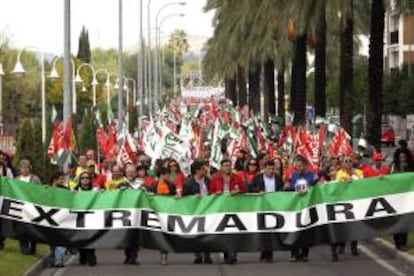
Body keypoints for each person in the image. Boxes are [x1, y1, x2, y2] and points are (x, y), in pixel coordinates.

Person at [210, 159, 246, 264]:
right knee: (223, 232)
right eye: (225, 166)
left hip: (234, 208)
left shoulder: (237, 178)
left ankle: (233, 254)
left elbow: (244, 190)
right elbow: (210, 192)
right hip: (220, 209)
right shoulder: (216, 178)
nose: (228, 167)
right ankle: (226, 253)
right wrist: (215, 194)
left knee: (234, 231)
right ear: (221, 167)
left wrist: (238, 191)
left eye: (229, 165)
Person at [248, 160, 284, 263]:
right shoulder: (258, 178)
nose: (271, 171)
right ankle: (263, 253)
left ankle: (270, 254)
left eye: (273, 169)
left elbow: (282, 189)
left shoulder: (277, 178)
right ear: (264, 169)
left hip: (274, 207)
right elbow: (250, 189)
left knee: (272, 231)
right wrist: (258, 191)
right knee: (263, 231)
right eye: (269, 169)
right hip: (261, 207)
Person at [287, 156, 319, 262]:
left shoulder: (312, 176)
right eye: (296, 166)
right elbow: (289, 188)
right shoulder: (293, 176)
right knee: (294, 229)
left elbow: (317, 188)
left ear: (305, 165)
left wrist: (308, 190)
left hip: (307, 206)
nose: (297, 168)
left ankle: (305, 254)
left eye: (299, 166)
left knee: (306, 230)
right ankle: (294, 253)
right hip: (295, 206)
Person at [183, 160, 213, 264]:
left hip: (208, 210)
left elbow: (213, 192)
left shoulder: (208, 181)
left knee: (208, 232)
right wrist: (192, 198)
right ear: (197, 170)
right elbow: (184, 198)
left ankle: (207, 254)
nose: (206, 170)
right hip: (195, 211)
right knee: (196, 233)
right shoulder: (188, 183)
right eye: (203, 168)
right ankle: (198, 254)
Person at [336, 155, 363, 256]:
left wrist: (354, 175)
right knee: (343, 226)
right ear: (342, 164)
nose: (348, 163)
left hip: (355, 201)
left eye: (350, 161)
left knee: (354, 226)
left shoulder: (358, 172)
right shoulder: (340, 174)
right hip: (344, 202)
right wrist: (345, 183)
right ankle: (342, 246)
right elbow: (338, 186)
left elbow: (362, 184)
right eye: (346, 161)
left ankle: (354, 247)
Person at [149, 167, 176, 265]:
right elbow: (149, 196)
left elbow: (174, 196)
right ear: (162, 175)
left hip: (168, 213)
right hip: (157, 214)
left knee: (167, 234)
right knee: (161, 234)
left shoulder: (171, 185)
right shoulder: (154, 185)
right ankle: (163, 254)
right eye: (168, 174)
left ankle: (165, 253)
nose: (169, 176)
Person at [117, 164, 143, 265]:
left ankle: (133, 256)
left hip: (137, 214)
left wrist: (146, 192)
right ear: (125, 173)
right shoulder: (121, 185)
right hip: (125, 214)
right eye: (128, 172)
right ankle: (128, 255)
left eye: (132, 172)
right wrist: (118, 192)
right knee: (126, 236)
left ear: (136, 173)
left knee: (135, 236)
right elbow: (114, 197)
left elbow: (149, 194)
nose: (130, 173)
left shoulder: (141, 184)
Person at [15, 159, 41, 255]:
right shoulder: (16, 180)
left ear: (30, 168)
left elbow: (40, 191)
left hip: (32, 208)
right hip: (21, 208)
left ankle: (33, 246)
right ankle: (24, 246)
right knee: (21, 228)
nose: (25, 169)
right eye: (23, 167)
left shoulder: (35, 179)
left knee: (33, 228)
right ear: (20, 169)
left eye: (26, 167)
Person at [391, 151, 414, 251]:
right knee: (397, 221)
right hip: (396, 197)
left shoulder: (410, 167)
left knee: (406, 220)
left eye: (404, 157)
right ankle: (398, 242)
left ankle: (403, 242)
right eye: (400, 157)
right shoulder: (394, 167)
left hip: (407, 198)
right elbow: (390, 179)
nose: (402, 159)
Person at [76, 171, 97, 266]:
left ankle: (91, 256)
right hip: (79, 217)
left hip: (92, 217)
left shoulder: (95, 190)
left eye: (87, 178)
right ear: (80, 180)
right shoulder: (75, 190)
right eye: (83, 178)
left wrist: (102, 192)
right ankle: (82, 256)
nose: (85, 180)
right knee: (81, 238)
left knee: (91, 237)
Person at [48, 171, 68, 267]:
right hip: (50, 218)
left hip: (62, 218)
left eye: (63, 179)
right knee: (52, 241)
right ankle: (53, 259)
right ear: (55, 179)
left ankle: (58, 260)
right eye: (61, 179)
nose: (63, 180)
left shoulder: (66, 190)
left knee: (61, 239)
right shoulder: (46, 189)